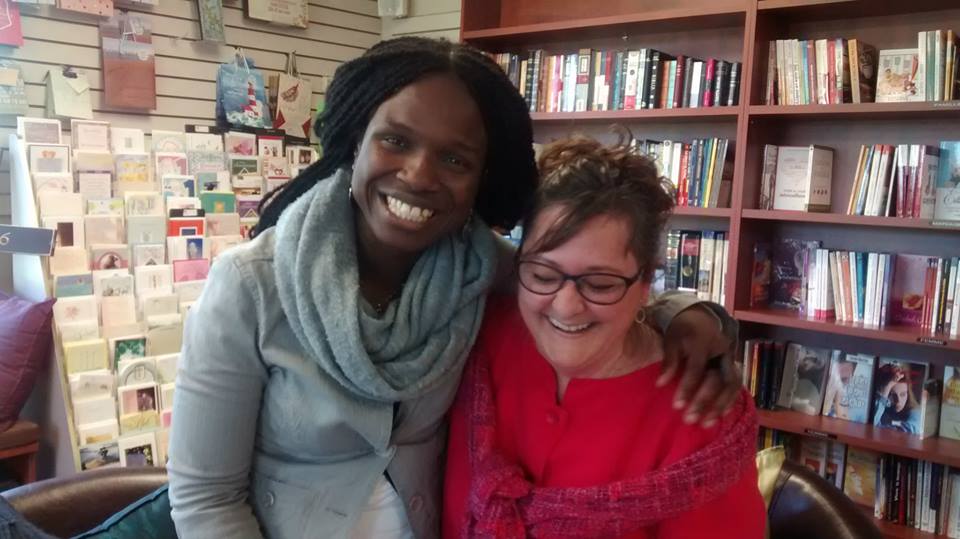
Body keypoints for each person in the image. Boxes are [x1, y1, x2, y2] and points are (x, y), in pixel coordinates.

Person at [168, 37, 741, 539]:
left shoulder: (479, 271)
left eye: (454, 159)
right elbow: (204, 499)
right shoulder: (251, 286)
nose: (418, 174)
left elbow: (581, 284)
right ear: (356, 140)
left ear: (480, 179)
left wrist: (691, 315)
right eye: (395, 140)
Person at [443, 136, 764, 538]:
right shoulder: (480, 335)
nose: (566, 306)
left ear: (645, 282)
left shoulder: (703, 408)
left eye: (600, 284)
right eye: (542, 275)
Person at [873, 362, 921, 433]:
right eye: (892, 395)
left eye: (903, 394)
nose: (898, 401)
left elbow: (910, 430)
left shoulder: (916, 413)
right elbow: (870, 425)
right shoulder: (881, 407)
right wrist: (887, 387)